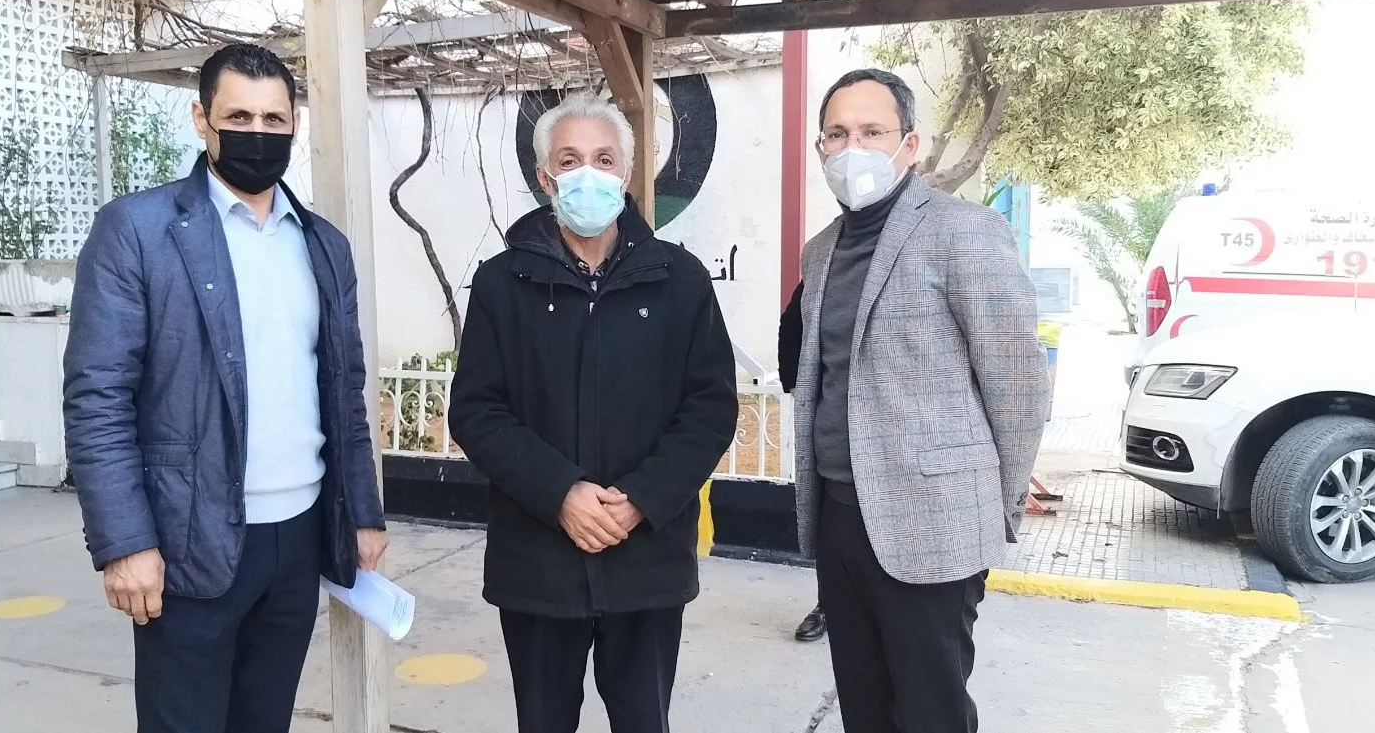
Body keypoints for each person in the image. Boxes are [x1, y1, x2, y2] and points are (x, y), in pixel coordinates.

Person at [63, 42, 388, 733]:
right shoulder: (137, 231)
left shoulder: (323, 245)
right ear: (201, 120)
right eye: (239, 116)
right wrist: (124, 541)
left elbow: (345, 391)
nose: (258, 133)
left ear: (294, 123)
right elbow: (97, 399)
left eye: (275, 119)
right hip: (189, 538)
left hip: (299, 537)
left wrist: (362, 511)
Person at [448, 93, 738, 733]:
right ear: (544, 177)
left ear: (628, 172)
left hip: (647, 560)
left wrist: (640, 499)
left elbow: (710, 407)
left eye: (604, 159)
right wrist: (561, 493)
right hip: (539, 564)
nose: (588, 174)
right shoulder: (501, 283)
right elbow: (477, 410)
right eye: (569, 160)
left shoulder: (681, 279)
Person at [792, 69, 1050, 733]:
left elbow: (1018, 383)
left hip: (934, 520)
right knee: (864, 708)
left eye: (871, 131)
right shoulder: (820, 252)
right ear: (821, 148)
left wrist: (993, 505)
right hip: (840, 517)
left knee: (931, 711)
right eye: (837, 134)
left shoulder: (965, 230)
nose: (852, 148)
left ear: (908, 144)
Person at [779, 281, 826, 643]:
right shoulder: (827, 268)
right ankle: (829, 605)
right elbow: (792, 323)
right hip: (833, 431)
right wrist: (797, 385)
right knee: (832, 525)